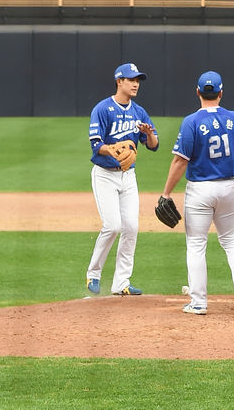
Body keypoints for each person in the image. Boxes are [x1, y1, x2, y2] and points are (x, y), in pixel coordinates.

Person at [161, 71, 234, 315]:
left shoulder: (191, 122)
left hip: (200, 189)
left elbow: (179, 161)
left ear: (198, 92)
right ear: (221, 93)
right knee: (231, 241)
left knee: (196, 244)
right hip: (227, 188)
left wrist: (166, 193)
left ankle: (198, 302)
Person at [85, 61, 159, 296]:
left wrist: (148, 135)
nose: (136, 84)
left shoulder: (139, 112)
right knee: (113, 226)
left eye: (138, 80)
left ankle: (121, 283)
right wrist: (113, 149)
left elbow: (154, 146)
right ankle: (93, 274)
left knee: (131, 228)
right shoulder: (102, 109)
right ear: (119, 81)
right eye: (131, 80)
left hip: (129, 177)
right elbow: (96, 145)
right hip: (105, 175)